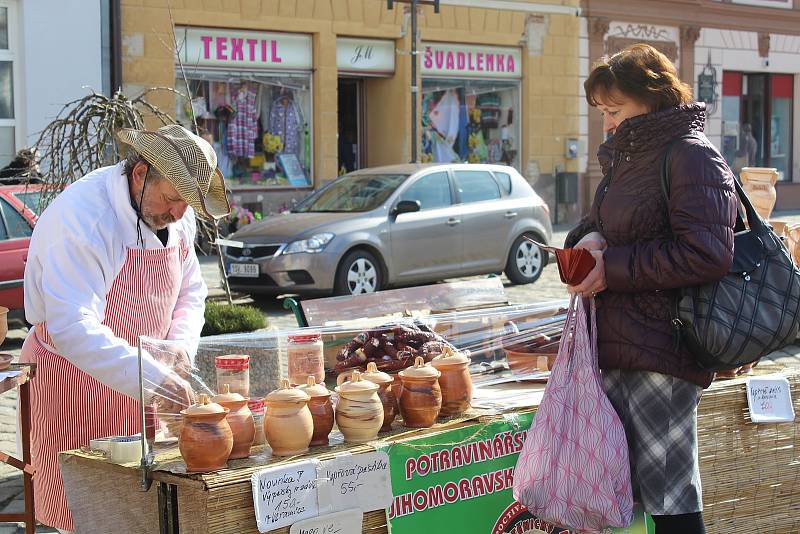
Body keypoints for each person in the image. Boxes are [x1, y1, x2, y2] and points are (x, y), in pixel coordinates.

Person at [20, 124, 230, 532]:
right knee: (83, 514)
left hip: (148, 387)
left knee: (146, 512)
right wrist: (157, 380)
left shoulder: (174, 213)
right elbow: (72, 326)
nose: (178, 213)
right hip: (75, 384)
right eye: (172, 199)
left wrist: (179, 349)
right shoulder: (84, 220)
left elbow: (192, 290)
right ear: (140, 174)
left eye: (188, 203)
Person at [565, 44, 737, 534]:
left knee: (672, 501)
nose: (606, 122)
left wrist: (612, 268)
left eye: (614, 110)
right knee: (628, 501)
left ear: (652, 99)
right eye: (601, 112)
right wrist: (588, 240)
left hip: (665, 350)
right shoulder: (628, 159)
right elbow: (602, 224)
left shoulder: (691, 157)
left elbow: (707, 252)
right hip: (618, 346)